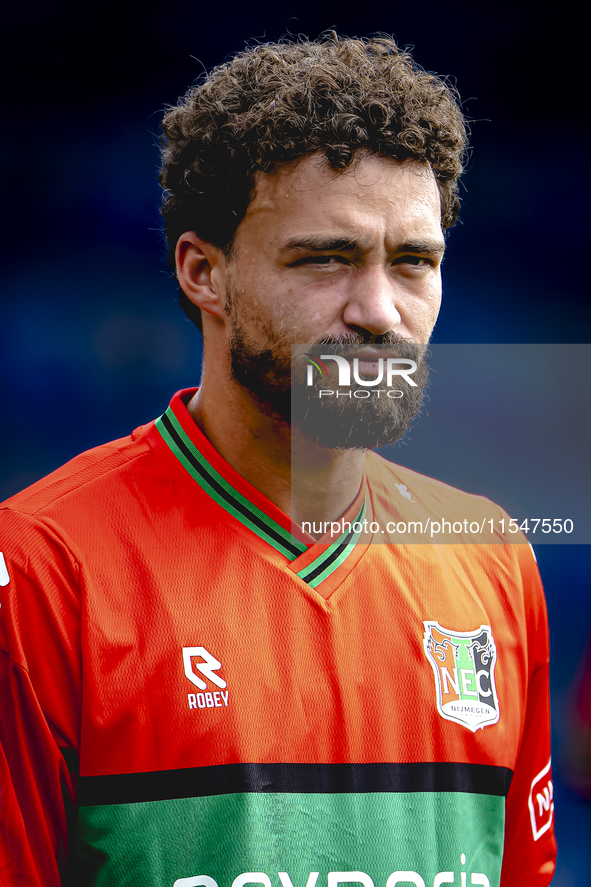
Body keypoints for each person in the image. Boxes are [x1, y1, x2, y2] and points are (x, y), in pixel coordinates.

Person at [0, 34, 556, 887]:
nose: (380, 310)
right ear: (202, 272)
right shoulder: (44, 566)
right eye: (325, 258)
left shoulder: (491, 558)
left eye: (414, 262)